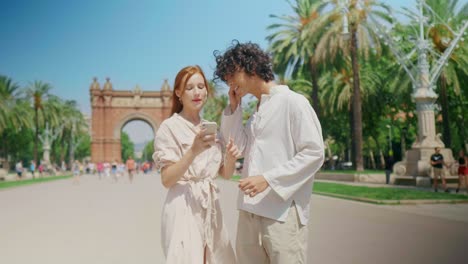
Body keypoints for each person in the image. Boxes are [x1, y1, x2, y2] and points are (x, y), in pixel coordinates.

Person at [214, 41, 324, 263]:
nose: (229, 82)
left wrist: (268, 179)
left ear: (251, 68)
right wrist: (234, 108)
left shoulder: (293, 102)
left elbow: (314, 153)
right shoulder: (256, 112)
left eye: (231, 75)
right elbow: (239, 145)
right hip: (249, 211)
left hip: (281, 214)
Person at [152, 65, 239, 263]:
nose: (197, 92)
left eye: (201, 86)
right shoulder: (169, 128)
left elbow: (224, 174)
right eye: (190, 88)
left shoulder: (211, 129)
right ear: (178, 93)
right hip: (183, 205)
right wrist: (193, 151)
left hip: (211, 207)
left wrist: (231, 159)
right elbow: (167, 179)